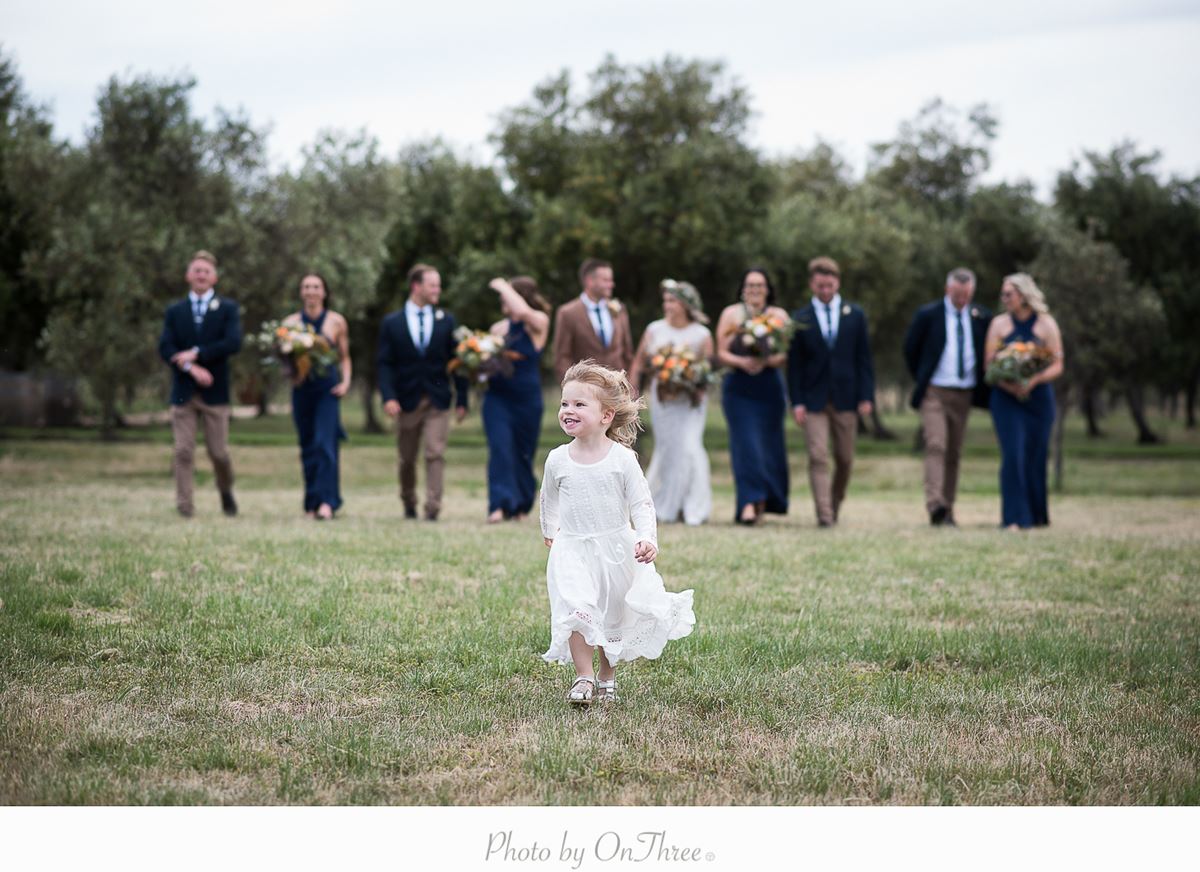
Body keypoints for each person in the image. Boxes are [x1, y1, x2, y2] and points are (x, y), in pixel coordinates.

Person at [539, 360, 696, 705]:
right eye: (565, 403)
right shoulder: (558, 459)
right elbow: (548, 499)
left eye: (580, 404)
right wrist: (550, 531)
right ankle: (583, 677)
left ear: (606, 415)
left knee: (611, 615)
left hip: (615, 549)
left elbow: (642, 504)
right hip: (573, 548)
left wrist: (647, 538)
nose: (568, 410)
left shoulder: (622, 460)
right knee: (577, 608)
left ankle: (607, 677)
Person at [787, 256, 875, 527]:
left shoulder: (855, 314)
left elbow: (864, 358)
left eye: (830, 285)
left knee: (845, 459)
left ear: (837, 283)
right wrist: (797, 401)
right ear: (813, 285)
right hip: (812, 400)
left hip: (846, 397)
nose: (825, 290)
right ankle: (824, 515)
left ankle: (834, 504)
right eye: (820, 286)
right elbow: (794, 366)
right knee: (818, 456)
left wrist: (866, 395)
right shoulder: (800, 318)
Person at [377, 264, 469, 521]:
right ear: (416, 286)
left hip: (438, 399)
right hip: (406, 400)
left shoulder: (447, 320)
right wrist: (388, 396)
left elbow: (458, 362)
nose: (438, 289)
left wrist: (462, 399)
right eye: (433, 285)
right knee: (407, 458)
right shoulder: (391, 323)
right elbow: (384, 364)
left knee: (434, 452)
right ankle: (408, 501)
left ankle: (433, 508)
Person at [903, 268, 993, 526]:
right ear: (947, 290)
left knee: (954, 452)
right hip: (934, 391)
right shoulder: (928, 315)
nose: (961, 299)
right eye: (956, 294)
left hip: (964, 393)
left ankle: (948, 508)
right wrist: (923, 377)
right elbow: (910, 349)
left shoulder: (981, 317)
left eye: (966, 294)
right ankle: (934, 504)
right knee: (936, 444)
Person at [157, 250, 242, 518]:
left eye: (206, 271)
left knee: (218, 453)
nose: (201, 275)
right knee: (183, 450)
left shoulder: (228, 309)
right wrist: (190, 367)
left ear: (214, 277)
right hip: (184, 391)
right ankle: (185, 507)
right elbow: (166, 347)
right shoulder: (175, 311)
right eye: (197, 270)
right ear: (188, 276)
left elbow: (233, 342)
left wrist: (197, 354)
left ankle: (226, 490)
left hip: (215, 393)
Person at [629, 279, 714, 525]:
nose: (667, 305)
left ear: (686, 305)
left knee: (689, 447)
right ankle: (666, 504)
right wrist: (632, 396)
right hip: (663, 401)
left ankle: (694, 506)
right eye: (665, 300)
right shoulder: (654, 330)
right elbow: (638, 364)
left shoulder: (701, 334)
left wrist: (692, 383)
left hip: (690, 403)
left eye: (672, 301)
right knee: (667, 449)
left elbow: (708, 372)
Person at [985, 273, 1064, 530]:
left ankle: (1036, 515)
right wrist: (1010, 383)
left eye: (1009, 294)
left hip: (1038, 400)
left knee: (1035, 454)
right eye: (1003, 294)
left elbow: (1058, 364)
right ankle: (1014, 518)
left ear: (1024, 295)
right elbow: (989, 365)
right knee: (1013, 454)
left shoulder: (1046, 324)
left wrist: (1034, 380)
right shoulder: (998, 325)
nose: (1004, 299)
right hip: (1005, 399)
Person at [715, 268, 791, 525]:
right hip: (739, 388)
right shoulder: (730, 314)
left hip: (768, 388)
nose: (755, 290)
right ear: (743, 288)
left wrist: (765, 360)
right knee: (746, 446)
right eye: (750, 285)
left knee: (768, 448)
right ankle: (748, 502)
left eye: (760, 285)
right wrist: (743, 361)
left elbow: (786, 353)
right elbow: (721, 352)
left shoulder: (778, 316)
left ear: (768, 289)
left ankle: (763, 500)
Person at [482, 276, 552, 523]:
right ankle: (498, 506)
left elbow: (522, 311)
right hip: (497, 396)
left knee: (524, 452)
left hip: (527, 398)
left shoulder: (538, 322)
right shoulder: (497, 329)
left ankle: (521, 505)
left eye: (508, 295)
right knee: (500, 448)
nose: (503, 299)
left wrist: (501, 284)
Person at [283, 273, 351, 520]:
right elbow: (285, 363)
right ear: (301, 292)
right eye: (306, 286)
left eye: (316, 286)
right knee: (307, 445)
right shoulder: (290, 323)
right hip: (302, 390)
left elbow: (344, 356)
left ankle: (328, 502)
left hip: (327, 390)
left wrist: (345, 382)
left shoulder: (336, 321)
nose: (311, 290)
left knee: (325, 444)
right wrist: (292, 376)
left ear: (324, 292)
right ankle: (311, 503)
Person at [551, 258, 634, 381]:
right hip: (586, 389)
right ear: (590, 281)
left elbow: (627, 352)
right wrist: (572, 386)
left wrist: (630, 384)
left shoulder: (619, 309)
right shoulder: (568, 313)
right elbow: (562, 357)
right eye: (606, 280)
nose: (612, 284)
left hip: (617, 389)